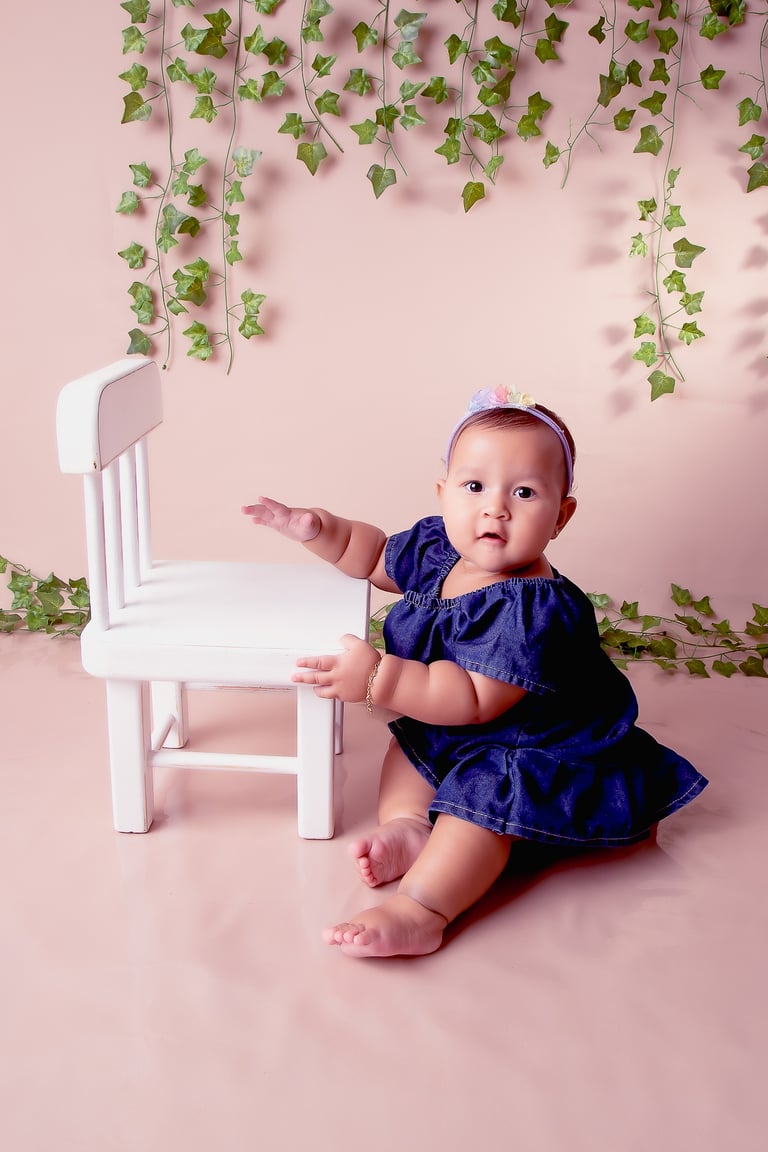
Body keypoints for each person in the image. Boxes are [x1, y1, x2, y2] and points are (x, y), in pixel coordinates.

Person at [242, 386, 708, 959]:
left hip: (536, 748)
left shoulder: (532, 610)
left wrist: (380, 679)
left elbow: (472, 698)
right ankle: (411, 827)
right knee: (411, 748)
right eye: (474, 487)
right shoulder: (441, 549)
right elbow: (374, 555)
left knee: (483, 802)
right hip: (455, 725)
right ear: (444, 495)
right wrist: (319, 529)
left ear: (561, 516)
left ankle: (422, 908)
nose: (495, 508)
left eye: (525, 492)